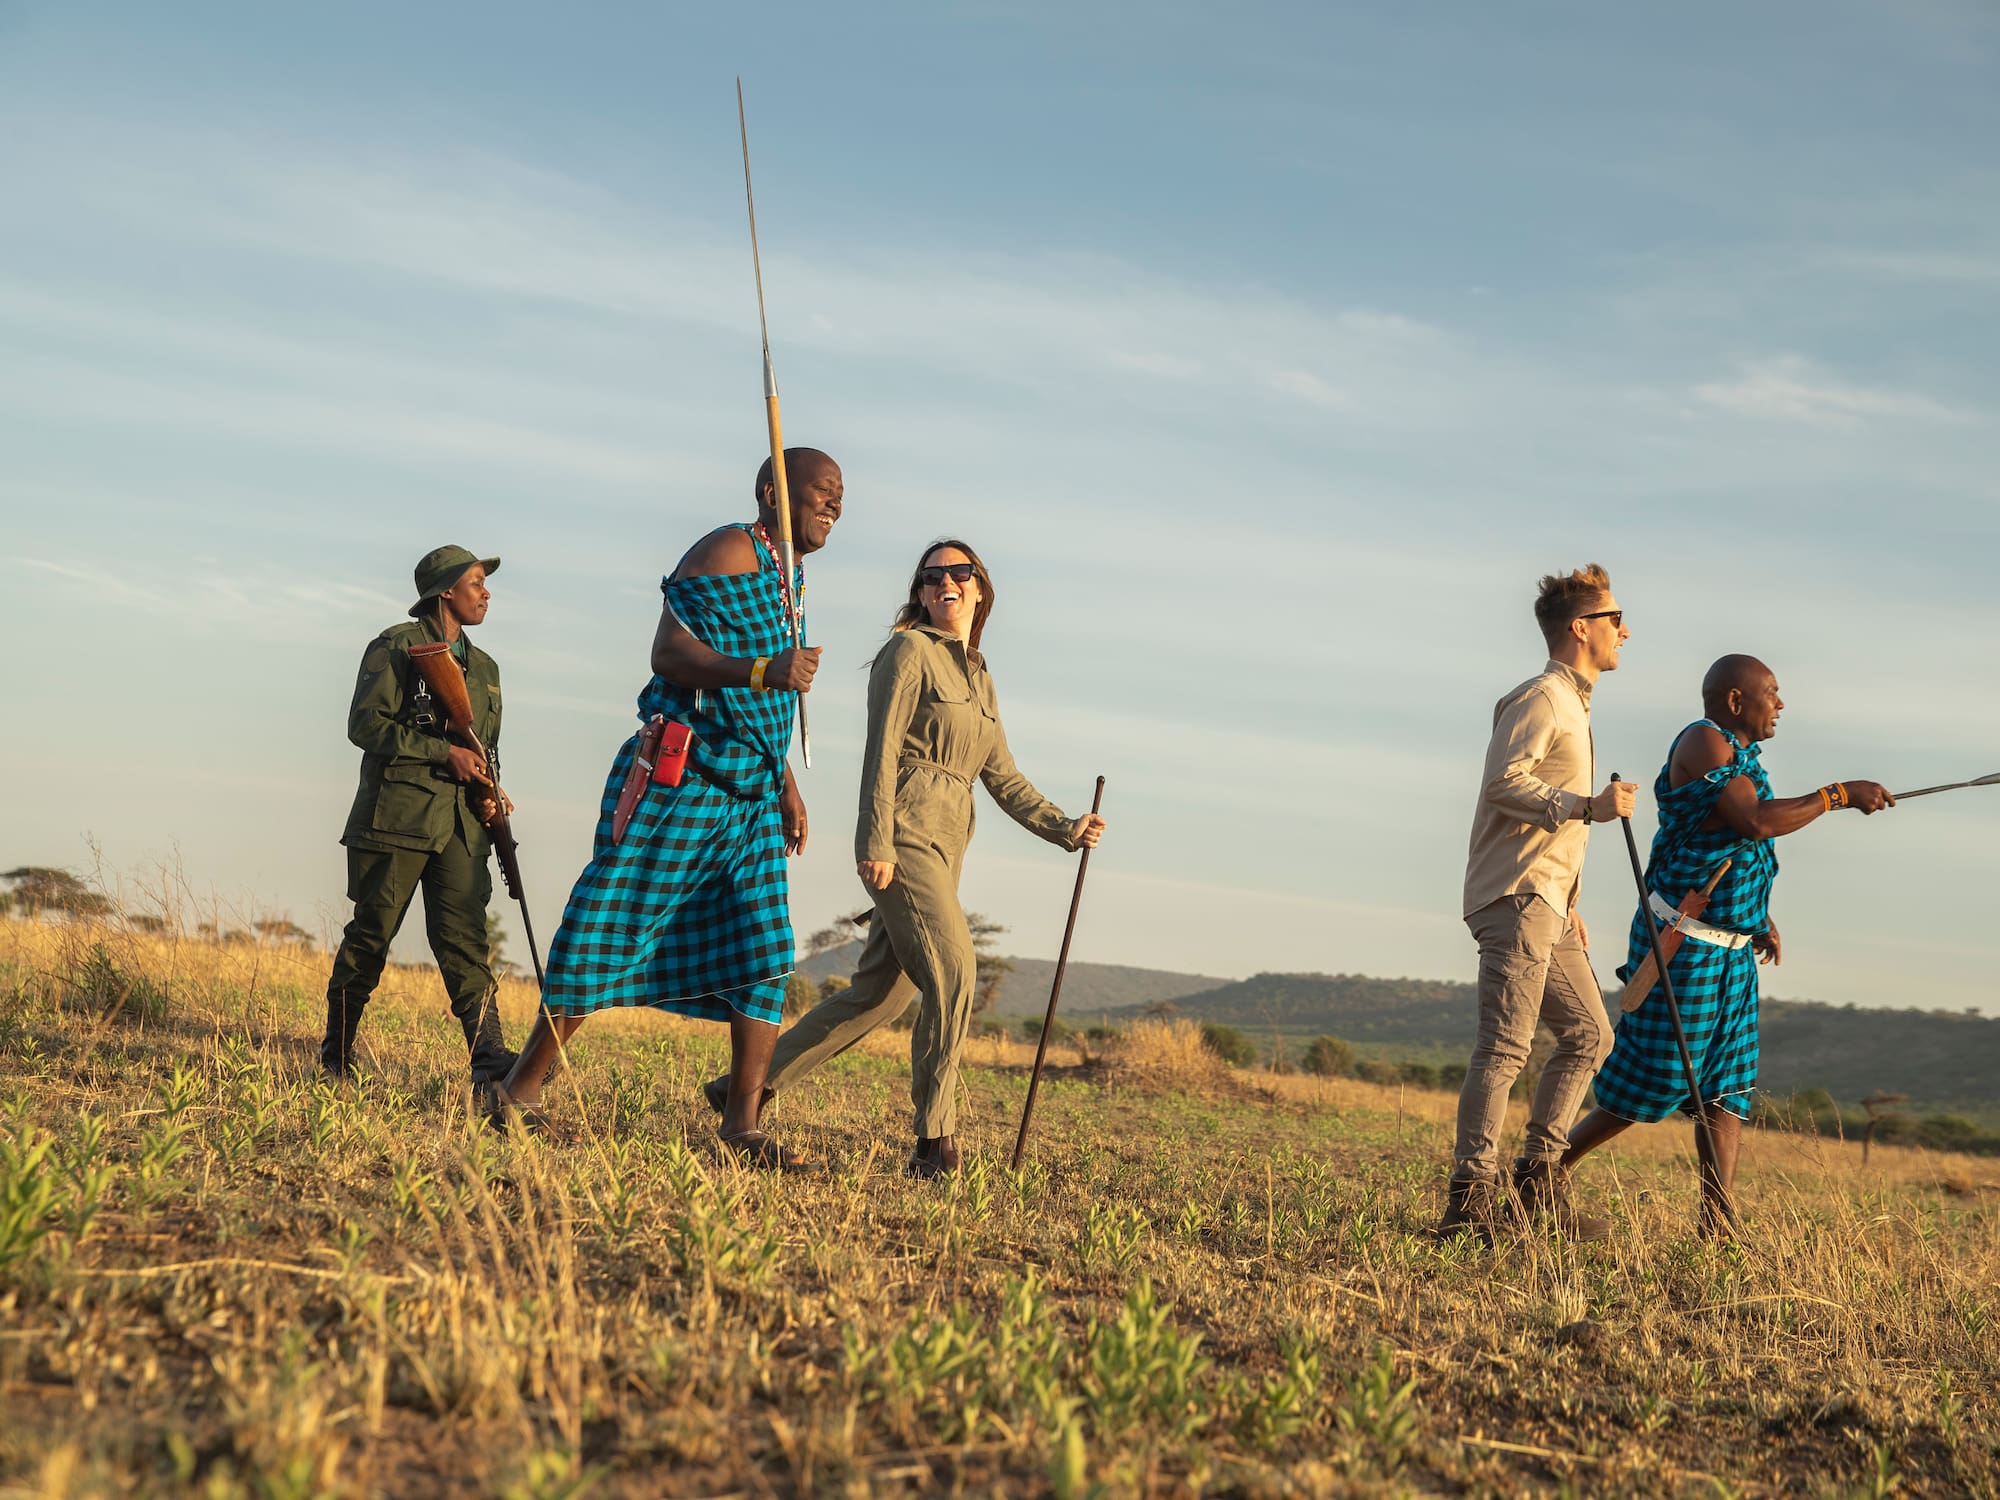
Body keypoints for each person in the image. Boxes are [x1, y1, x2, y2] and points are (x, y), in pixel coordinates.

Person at [704, 540, 1106, 1176]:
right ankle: (934, 1141)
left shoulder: (980, 677)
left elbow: (1001, 775)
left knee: (879, 998)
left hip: (950, 843)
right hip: (906, 832)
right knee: (954, 970)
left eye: (958, 573)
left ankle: (743, 1088)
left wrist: (1066, 827)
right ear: (919, 593)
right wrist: (875, 843)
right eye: (931, 576)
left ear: (980, 588)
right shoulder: (909, 650)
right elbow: (882, 750)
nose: (945, 582)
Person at [484, 448, 840, 1166]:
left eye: (841, 499)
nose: (835, 507)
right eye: (823, 493)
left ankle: (741, 1129)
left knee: (764, 953)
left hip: (750, 793)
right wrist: (764, 668)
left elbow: (763, 713)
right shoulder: (731, 548)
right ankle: (516, 1092)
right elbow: (669, 651)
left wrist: (787, 787)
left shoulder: (790, 576)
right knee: (613, 925)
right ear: (773, 490)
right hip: (688, 775)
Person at [1561, 655, 1893, 1234]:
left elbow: (1735, 849)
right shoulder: (1704, 742)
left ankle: (1718, 1220)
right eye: (1773, 693)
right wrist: (1837, 794)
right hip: (1682, 946)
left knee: (1728, 1086)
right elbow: (1755, 822)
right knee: (1660, 1075)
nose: (1781, 705)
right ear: (1737, 701)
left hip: (1731, 952)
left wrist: (1755, 918)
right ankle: (1544, 1169)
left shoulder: (1741, 757)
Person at [1438, 564, 1634, 1242]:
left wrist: (1570, 894)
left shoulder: (1573, 703)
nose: (1625, 632)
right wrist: (1587, 805)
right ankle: (1469, 1204)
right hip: (1518, 897)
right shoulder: (1543, 697)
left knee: (1591, 1035)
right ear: (1582, 628)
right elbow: (1504, 783)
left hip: (1547, 900)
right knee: (1505, 1047)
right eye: (1615, 620)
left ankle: (1537, 1181)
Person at [322, 546, 516, 1085]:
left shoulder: (487, 670)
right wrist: (440, 754)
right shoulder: (397, 647)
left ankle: (490, 1062)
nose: (486, 592)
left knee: (465, 941)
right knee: (371, 936)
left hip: (460, 827)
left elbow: (486, 747)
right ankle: (335, 1057)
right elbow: (365, 725)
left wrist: (493, 791)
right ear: (445, 591)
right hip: (397, 819)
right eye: (476, 582)